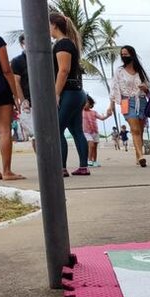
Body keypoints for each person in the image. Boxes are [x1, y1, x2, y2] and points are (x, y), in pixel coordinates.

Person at [50, 13, 90, 177]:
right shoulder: (68, 43)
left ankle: (61, 168)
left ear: (54, 25)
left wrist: (56, 93)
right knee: (76, 131)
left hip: (69, 93)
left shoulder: (63, 44)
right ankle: (83, 167)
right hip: (77, 93)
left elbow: (63, 70)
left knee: (57, 130)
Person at [107, 45, 150, 167]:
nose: (124, 56)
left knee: (140, 130)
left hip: (141, 101)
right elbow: (114, 89)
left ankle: (138, 156)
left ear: (132, 55)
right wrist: (111, 106)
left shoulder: (141, 71)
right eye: (122, 54)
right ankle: (141, 156)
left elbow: (149, 89)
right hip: (126, 101)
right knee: (135, 129)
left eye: (126, 53)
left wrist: (145, 89)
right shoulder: (119, 71)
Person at [0, 32, 25, 181]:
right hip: (0, 88)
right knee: (5, 130)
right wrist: (15, 94)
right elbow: (6, 69)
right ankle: (7, 171)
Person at [82, 95, 110, 167]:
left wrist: (108, 115)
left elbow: (102, 118)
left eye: (86, 102)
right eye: (83, 102)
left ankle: (94, 161)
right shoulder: (80, 112)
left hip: (95, 132)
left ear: (91, 104)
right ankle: (89, 160)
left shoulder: (94, 112)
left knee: (95, 147)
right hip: (86, 132)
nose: (85, 104)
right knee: (91, 144)